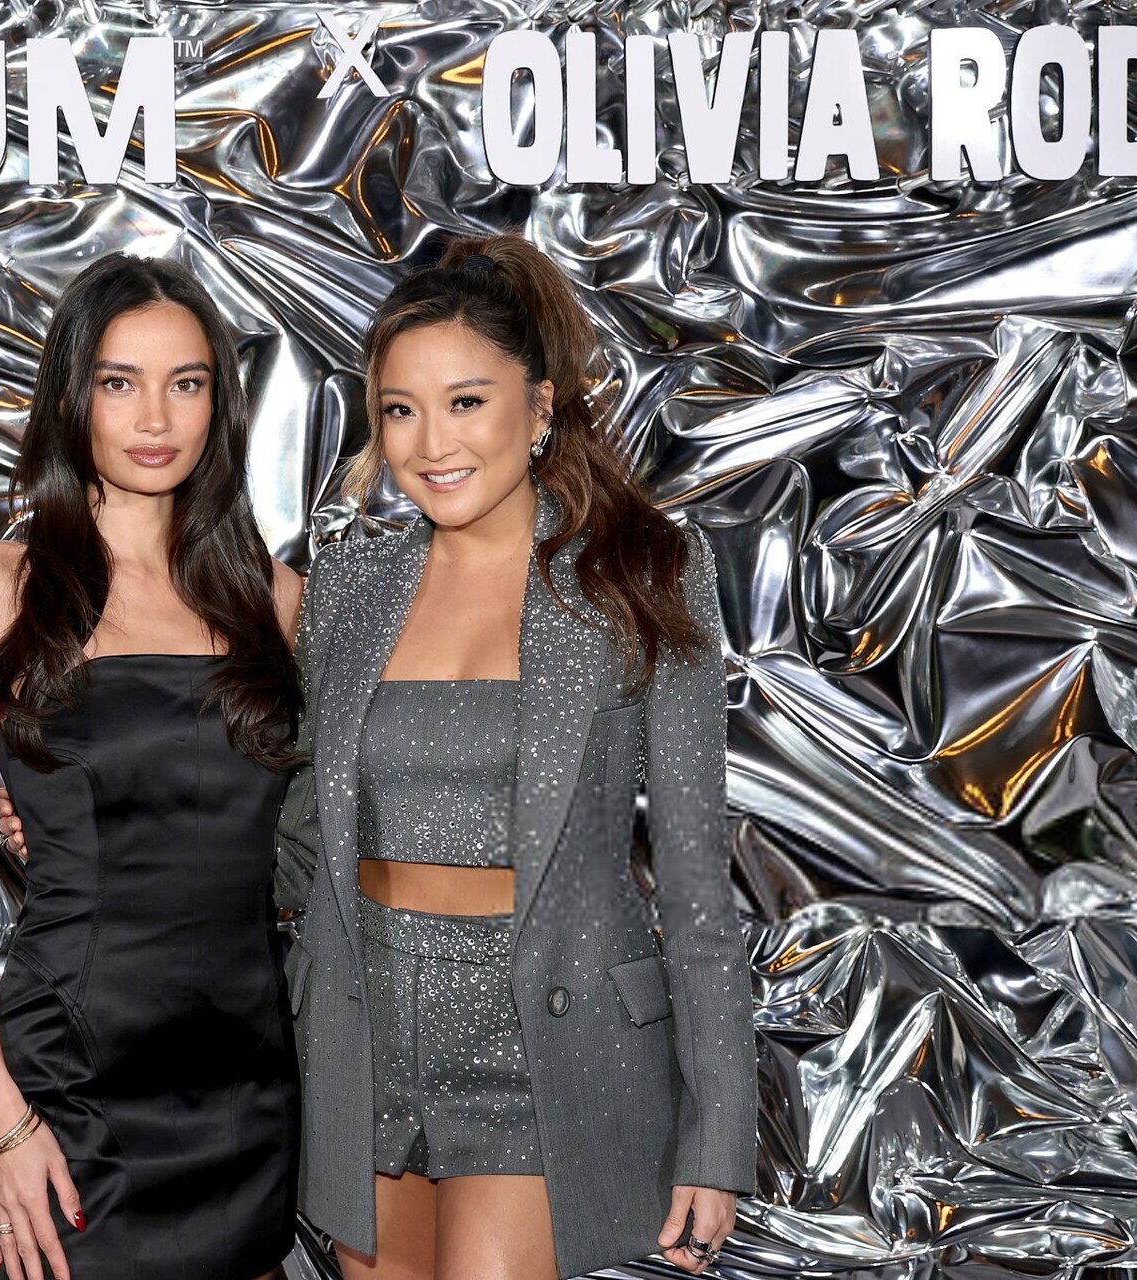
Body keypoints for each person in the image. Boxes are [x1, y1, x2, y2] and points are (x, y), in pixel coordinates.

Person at [276, 233, 758, 1280]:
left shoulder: (641, 574)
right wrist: (84, 818)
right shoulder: (349, 584)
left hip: (549, 1034)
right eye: (400, 410)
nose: (431, 443)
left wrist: (718, 1135)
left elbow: (694, 882)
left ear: (539, 409)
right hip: (366, 1024)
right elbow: (293, 820)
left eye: (466, 402)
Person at [0, 252, 304, 1280]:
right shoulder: (0, 588)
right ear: (70, 396)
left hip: (249, 1083)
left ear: (220, 403)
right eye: (119, 382)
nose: (155, 417)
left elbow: (311, 827)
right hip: (71, 1081)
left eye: (186, 382)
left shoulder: (275, 598)